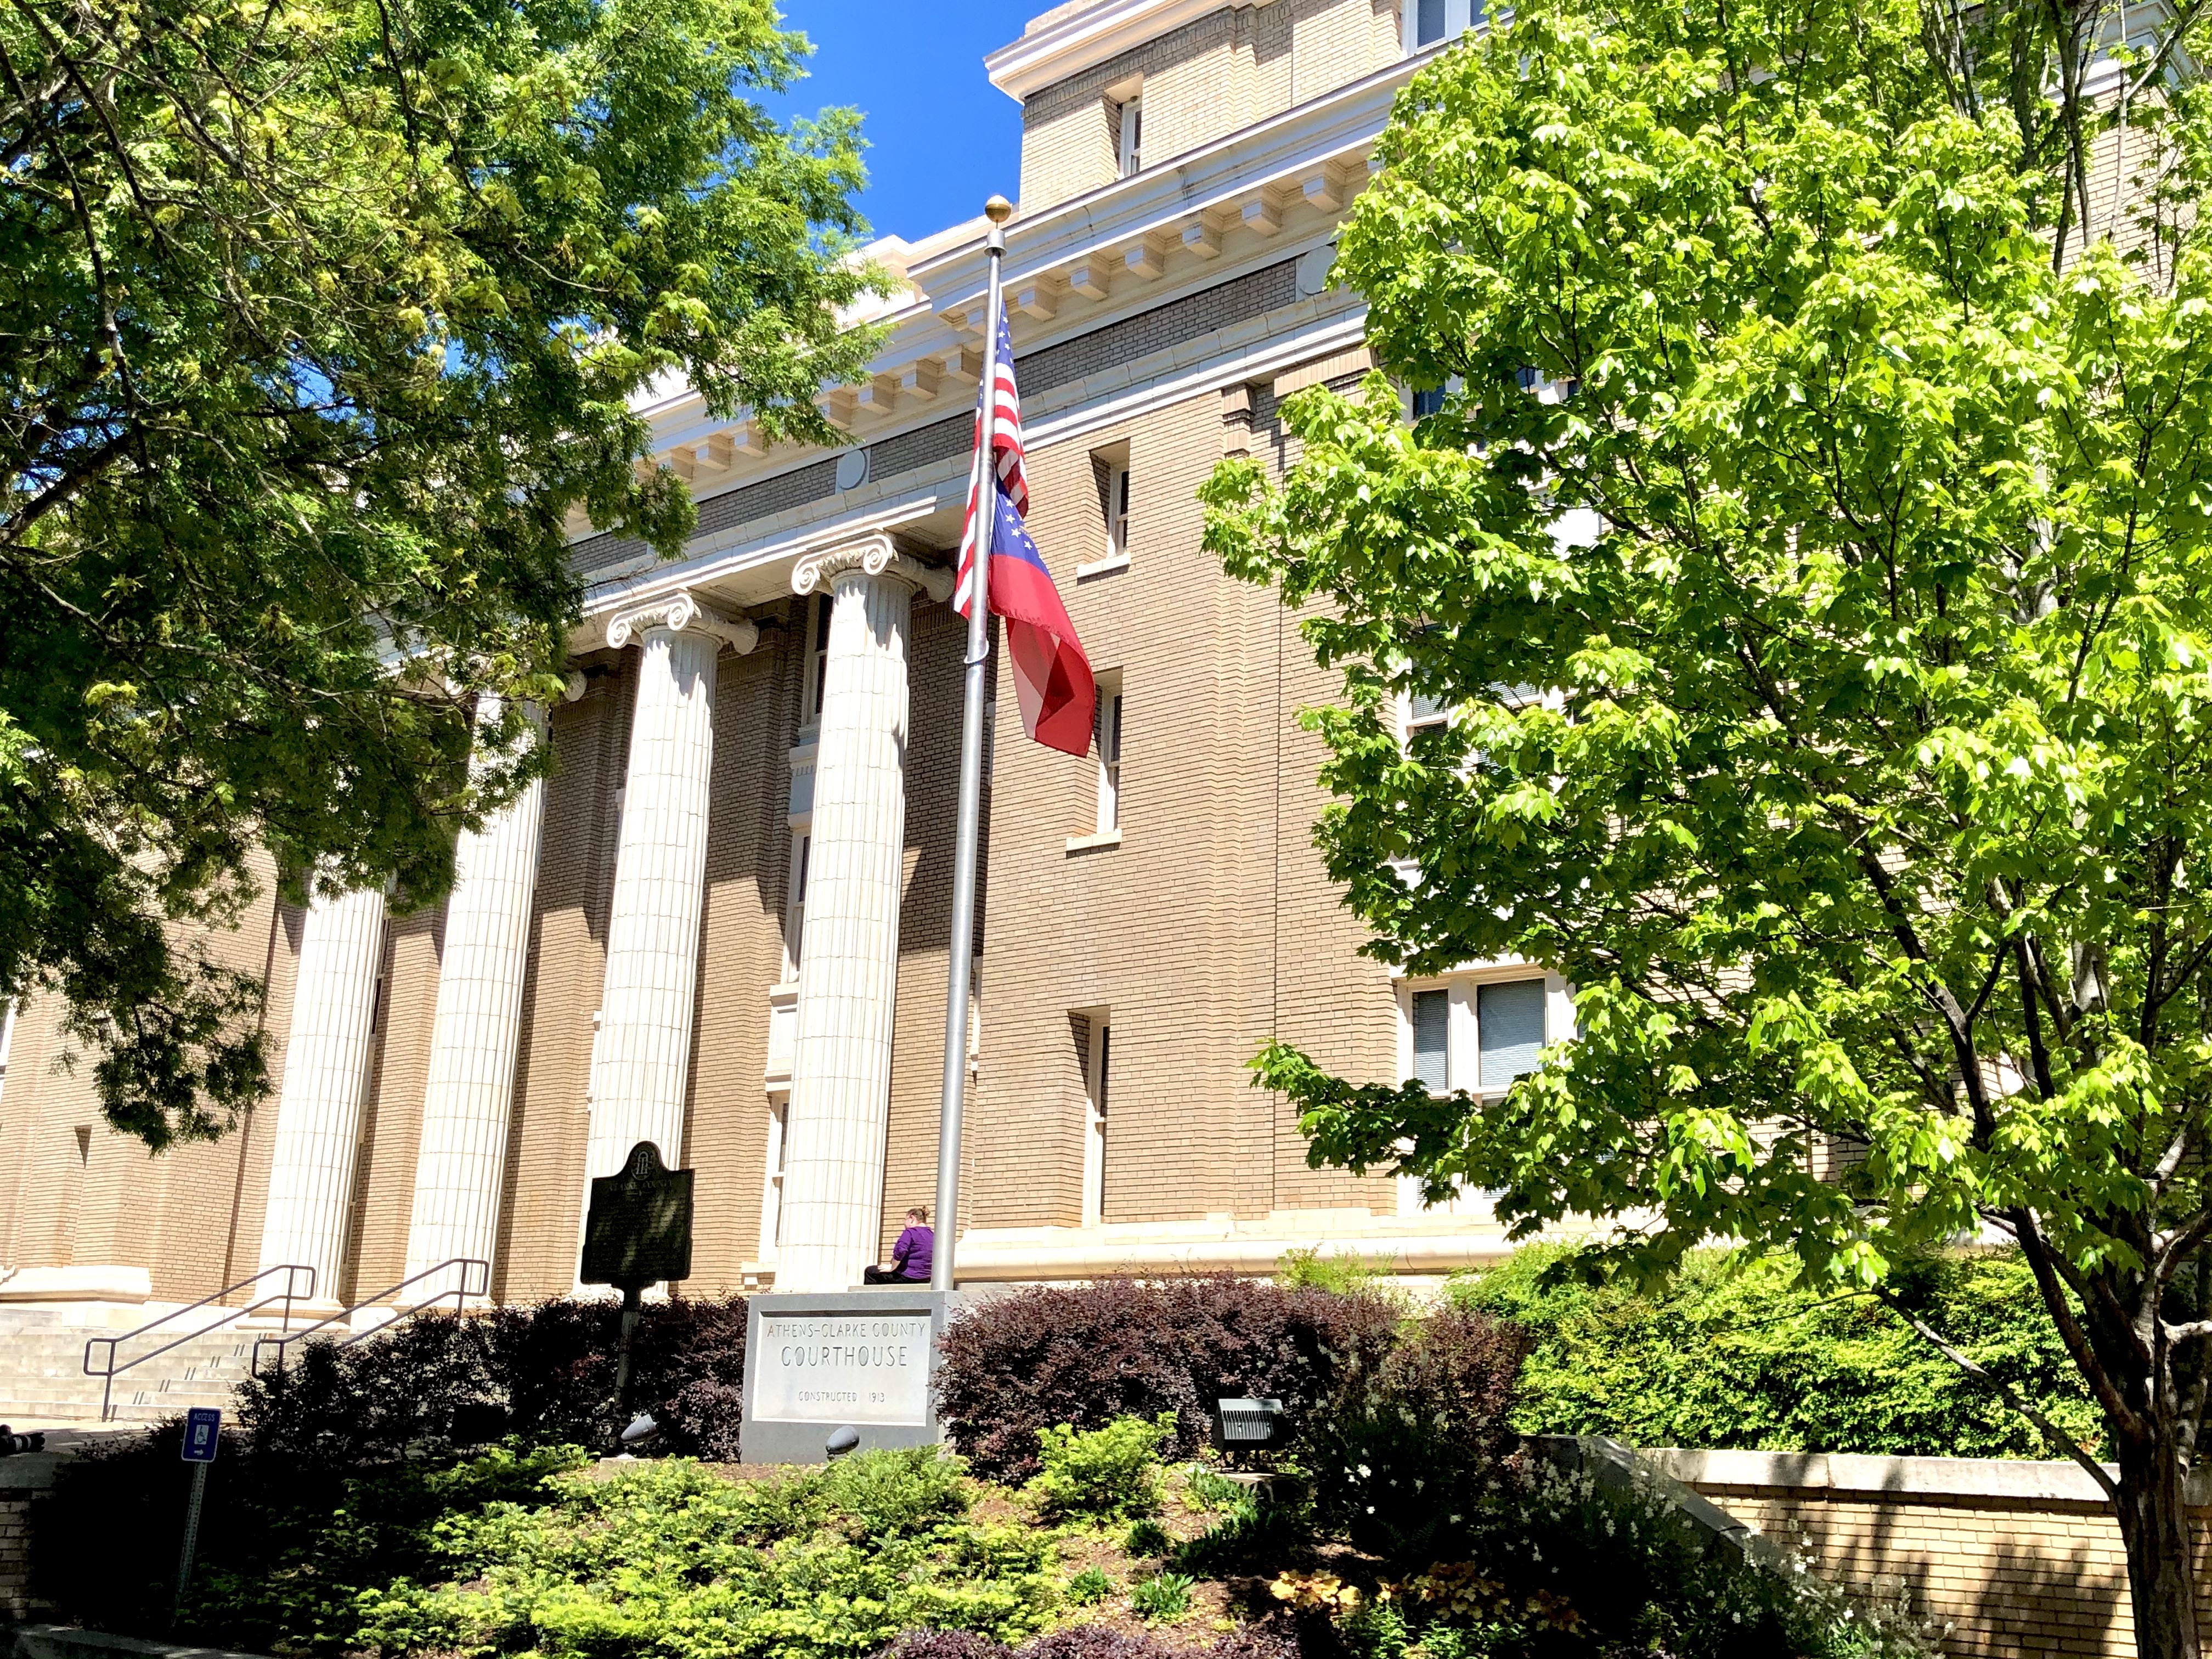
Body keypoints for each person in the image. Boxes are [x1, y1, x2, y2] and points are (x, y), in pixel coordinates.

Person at [863, 1207, 933, 1285]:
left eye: (905, 1220)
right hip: (925, 1279)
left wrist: (892, 1267)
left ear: (912, 1219)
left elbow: (901, 1250)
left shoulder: (910, 1232)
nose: (904, 1223)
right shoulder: (933, 1236)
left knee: (870, 1272)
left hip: (907, 1276)